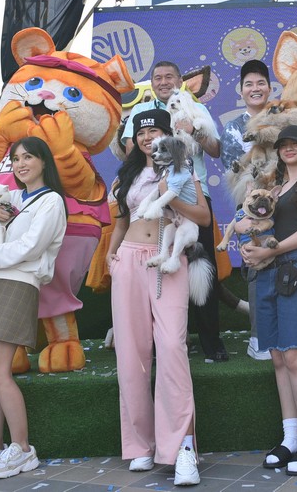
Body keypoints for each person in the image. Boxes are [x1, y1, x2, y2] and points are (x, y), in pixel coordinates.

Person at [107, 108, 211, 486]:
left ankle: (181, 448)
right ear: (134, 139)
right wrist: (111, 256)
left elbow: (202, 217)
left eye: (155, 130)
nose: (148, 137)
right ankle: (139, 446)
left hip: (168, 260)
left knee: (171, 347)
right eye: (142, 132)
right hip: (129, 261)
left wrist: (171, 196)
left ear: (168, 134)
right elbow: (121, 218)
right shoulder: (128, 174)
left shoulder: (182, 170)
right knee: (132, 352)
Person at [0, 136, 67, 479]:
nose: (21, 164)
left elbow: (30, 248)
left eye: (28, 157)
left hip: (17, 283)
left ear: (44, 161)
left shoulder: (51, 202)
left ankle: (22, 449)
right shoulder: (14, 198)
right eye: (16, 158)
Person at [122, 61, 229, 362]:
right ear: (151, 83)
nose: (164, 81)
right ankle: (158, 344)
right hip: (153, 194)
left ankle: (211, 341)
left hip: (194, 195)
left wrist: (192, 129)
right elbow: (132, 150)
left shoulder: (193, 107)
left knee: (201, 264)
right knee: (159, 269)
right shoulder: (142, 112)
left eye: (170, 76)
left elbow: (216, 149)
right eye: (158, 77)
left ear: (181, 81)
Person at [240, 125, 297, 476]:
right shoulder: (276, 187)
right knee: (276, 356)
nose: (289, 149)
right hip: (270, 274)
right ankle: (290, 439)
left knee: (294, 355)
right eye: (284, 145)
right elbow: (261, 227)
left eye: (295, 144)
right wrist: (252, 248)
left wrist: (264, 254)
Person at [220, 59, 273, 360]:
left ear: (269, 87)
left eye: (260, 83)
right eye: (249, 84)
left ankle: (284, 333)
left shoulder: (281, 118)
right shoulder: (233, 128)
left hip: (286, 202)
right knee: (256, 266)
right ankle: (258, 337)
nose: (255, 88)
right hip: (251, 207)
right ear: (241, 91)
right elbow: (235, 172)